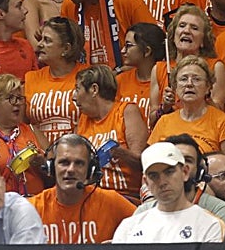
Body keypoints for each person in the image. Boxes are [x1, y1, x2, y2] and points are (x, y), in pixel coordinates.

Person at [29, 134, 135, 243]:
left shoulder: (112, 203)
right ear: (51, 167)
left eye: (79, 163)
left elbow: (147, 226)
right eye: (64, 162)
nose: (71, 169)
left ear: (90, 170)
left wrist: (121, 242)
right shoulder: (33, 209)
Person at [111, 141, 224, 243]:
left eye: (169, 172)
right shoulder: (129, 227)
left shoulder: (209, 224)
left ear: (184, 172)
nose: (162, 182)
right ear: (146, 181)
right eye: (153, 175)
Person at [73, 64, 147, 199]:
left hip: (127, 196)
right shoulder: (83, 120)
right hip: (92, 196)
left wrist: (120, 153)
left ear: (94, 89)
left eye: (78, 89)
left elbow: (143, 163)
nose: (74, 97)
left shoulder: (126, 112)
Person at [149, 56, 225, 163]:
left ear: (208, 87)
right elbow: (150, 161)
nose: (189, 84)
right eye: (183, 79)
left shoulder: (223, 121)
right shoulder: (164, 122)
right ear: (175, 88)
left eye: (196, 79)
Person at [23, 16, 83, 141]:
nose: (39, 45)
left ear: (66, 49)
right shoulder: (31, 78)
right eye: (41, 40)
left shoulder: (87, 76)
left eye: (47, 41)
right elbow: (23, 125)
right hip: (40, 154)